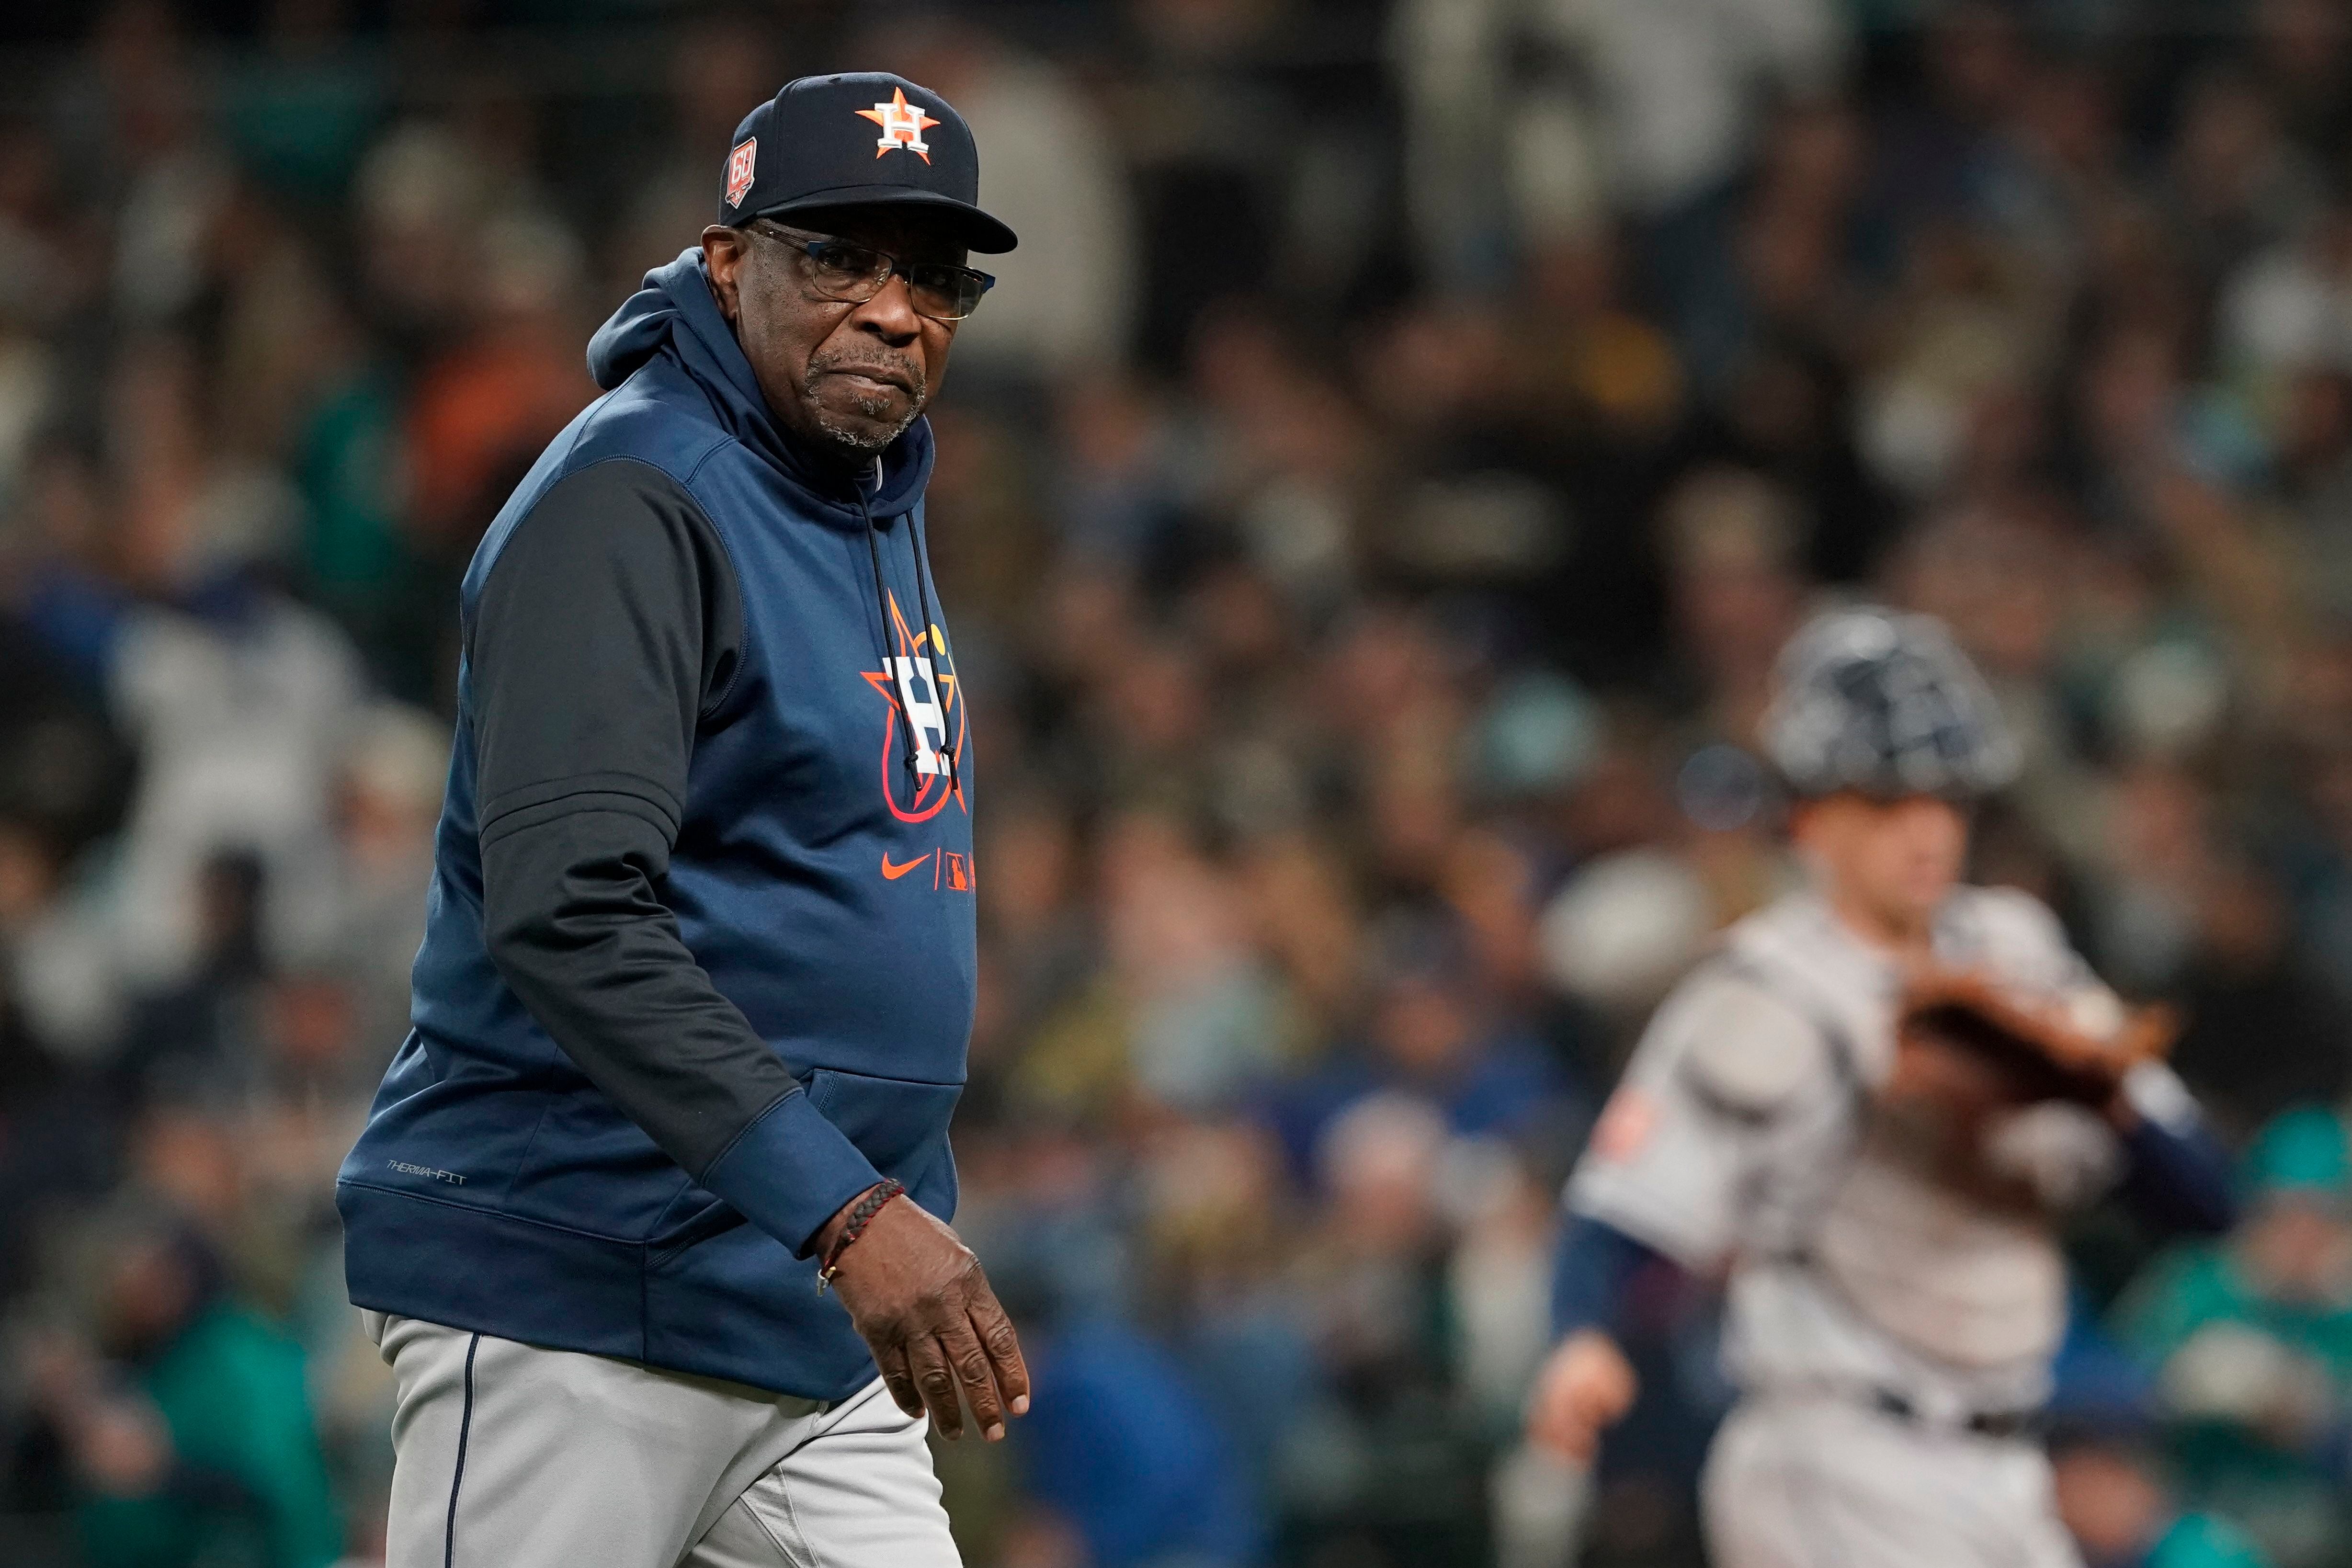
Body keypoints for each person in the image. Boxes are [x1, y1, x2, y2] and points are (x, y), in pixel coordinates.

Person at [336, 73, 1025, 1568]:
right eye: (837, 255)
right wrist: (848, 1212)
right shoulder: (635, 496)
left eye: (932, 276)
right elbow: (569, 910)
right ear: (729, 263)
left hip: (794, 1305)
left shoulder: (857, 488)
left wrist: (863, 1209)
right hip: (571, 1281)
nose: (893, 310)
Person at [1524, 605, 2240, 1567]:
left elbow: (2204, 1201)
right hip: (1833, 1452)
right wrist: (1581, 1340)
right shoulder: (1765, 991)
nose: (1924, 828)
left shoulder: (2016, 953)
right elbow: (1616, 1211)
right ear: (1809, 814)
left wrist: (2099, 1101)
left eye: (1944, 796)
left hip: (2005, 1465)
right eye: (1885, 796)